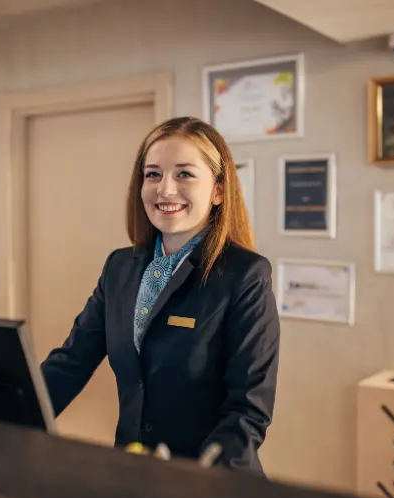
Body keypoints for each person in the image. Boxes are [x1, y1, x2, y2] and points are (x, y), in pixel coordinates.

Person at [40, 116, 280, 475]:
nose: (165, 189)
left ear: (218, 190)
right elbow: (70, 363)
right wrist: (2, 418)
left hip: (212, 483)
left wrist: (202, 479)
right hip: (133, 475)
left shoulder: (245, 275)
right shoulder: (119, 267)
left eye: (184, 174)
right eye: (153, 174)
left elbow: (248, 408)